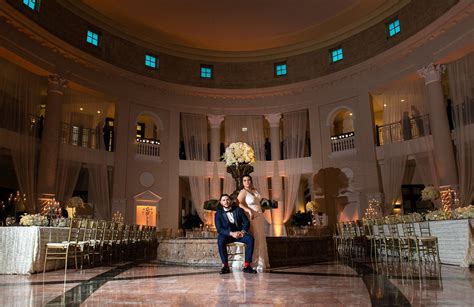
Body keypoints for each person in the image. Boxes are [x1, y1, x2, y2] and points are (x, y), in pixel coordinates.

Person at [215, 194, 257, 274]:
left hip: (239, 234)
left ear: (230, 201)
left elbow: (246, 222)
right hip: (227, 235)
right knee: (220, 240)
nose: (226, 202)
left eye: (227, 200)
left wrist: (242, 232)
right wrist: (231, 233)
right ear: (221, 202)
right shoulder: (218, 214)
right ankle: (225, 266)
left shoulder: (238, 210)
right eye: (223, 200)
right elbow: (219, 229)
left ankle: (247, 266)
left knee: (250, 239)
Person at [237, 175, 269, 272]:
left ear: (251, 181)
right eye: (245, 180)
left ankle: (261, 261)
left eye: (249, 180)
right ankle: (252, 262)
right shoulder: (243, 192)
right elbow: (238, 203)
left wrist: (262, 208)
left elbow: (258, 202)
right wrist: (248, 210)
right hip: (252, 217)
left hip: (259, 217)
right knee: (254, 237)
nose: (247, 182)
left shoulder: (254, 190)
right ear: (242, 182)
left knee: (260, 238)